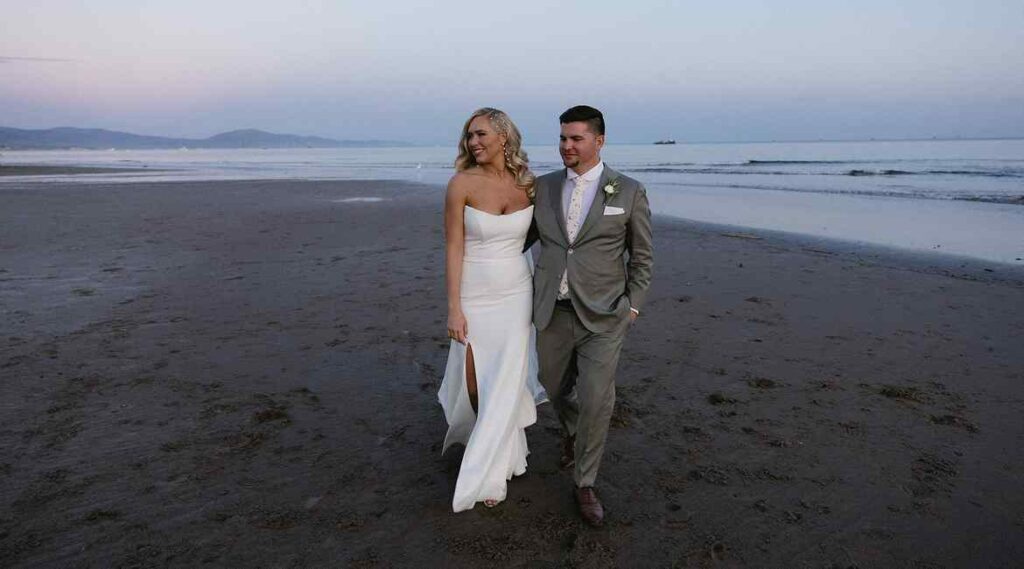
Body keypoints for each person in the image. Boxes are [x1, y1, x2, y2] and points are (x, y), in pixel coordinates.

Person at [528, 105, 653, 526]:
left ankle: (585, 483)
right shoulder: (541, 188)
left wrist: (632, 305)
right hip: (553, 311)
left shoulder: (628, 191)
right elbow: (519, 239)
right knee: (553, 387)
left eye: (576, 138)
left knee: (598, 399)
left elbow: (643, 256)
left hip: (604, 316)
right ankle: (571, 432)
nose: (567, 146)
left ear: (599, 141)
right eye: (563, 138)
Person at [437, 107, 547, 512]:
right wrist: (454, 308)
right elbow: (453, 247)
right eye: (469, 136)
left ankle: (491, 465)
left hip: (518, 294)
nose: (474, 142)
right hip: (474, 295)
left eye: (481, 134)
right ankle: (495, 447)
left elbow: (549, 237)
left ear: (504, 137)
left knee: (506, 380)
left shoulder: (529, 185)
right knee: (474, 383)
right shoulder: (460, 184)